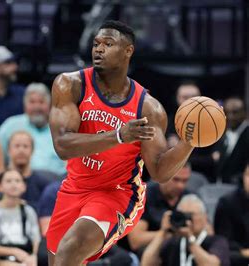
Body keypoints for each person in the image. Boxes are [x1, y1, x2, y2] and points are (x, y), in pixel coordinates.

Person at [46, 20, 195, 265]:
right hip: (74, 187)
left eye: (108, 44)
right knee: (60, 260)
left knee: (69, 252)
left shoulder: (147, 107)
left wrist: (188, 143)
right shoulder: (71, 85)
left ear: (128, 51)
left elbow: (158, 171)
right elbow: (62, 146)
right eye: (96, 44)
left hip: (116, 193)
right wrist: (118, 136)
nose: (99, 49)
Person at [141, 194, 230, 266]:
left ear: (204, 217)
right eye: (183, 215)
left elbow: (211, 264)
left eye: (191, 215)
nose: (187, 220)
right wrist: (162, 232)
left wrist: (190, 240)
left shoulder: (217, 241)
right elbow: (146, 263)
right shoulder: (173, 242)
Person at [0, 83, 66, 175]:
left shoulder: (62, 128)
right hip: (18, 181)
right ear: (24, 105)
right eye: (32, 102)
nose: (37, 107)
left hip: (55, 182)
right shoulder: (11, 125)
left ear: (50, 106)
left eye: (41, 102)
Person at [0, 169, 41, 266]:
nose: (13, 184)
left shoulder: (29, 211)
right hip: (0, 260)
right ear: (0, 187)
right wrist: (15, 252)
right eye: (8, 181)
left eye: (17, 181)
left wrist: (33, 255)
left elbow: (36, 239)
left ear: (24, 187)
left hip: (25, 256)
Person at [127, 164, 191, 253]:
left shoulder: (190, 198)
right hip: (145, 252)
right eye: (176, 179)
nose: (180, 186)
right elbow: (135, 241)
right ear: (164, 175)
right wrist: (166, 233)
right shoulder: (144, 196)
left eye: (185, 181)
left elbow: (208, 232)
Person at [214, 161, 249, 265]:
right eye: (248, 175)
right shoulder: (228, 202)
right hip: (236, 256)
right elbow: (223, 240)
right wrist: (244, 252)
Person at [213, 96, 248, 183]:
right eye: (227, 112)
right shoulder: (222, 132)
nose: (230, 117)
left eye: (235, 112)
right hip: (220, 183)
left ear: (244, 113)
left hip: (240, 187)